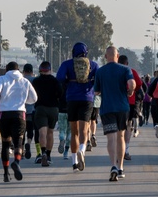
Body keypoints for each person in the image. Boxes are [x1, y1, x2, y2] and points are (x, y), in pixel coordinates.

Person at [0, 61, 38, 183]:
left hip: (3, 114)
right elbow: (34, 98)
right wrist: (23, 100)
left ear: (6, 69)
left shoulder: (1, 79)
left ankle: (6, 173)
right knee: (18, 143)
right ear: (18, 70)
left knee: (6, 143)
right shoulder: (25, 81)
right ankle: (16, 162)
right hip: (19, 114)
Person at [94, 46, 135, 181]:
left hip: (107, 108)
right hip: (122, 108)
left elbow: (96, 91)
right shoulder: (125, 69)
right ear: (117, 56)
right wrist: (130, 91)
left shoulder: (100, 71)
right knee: (121, 136)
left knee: (111, 138)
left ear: (106, 57)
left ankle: (113, 166)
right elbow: (132, 82)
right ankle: (121, 167)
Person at [56, 42, 99, 172]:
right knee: (84, 129)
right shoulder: (93, 64)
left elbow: (59, 78)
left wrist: (69, 81)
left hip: (72, 99)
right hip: (87, 99)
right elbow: (98, 81)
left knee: (74, 131)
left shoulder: (67, 64)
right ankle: (82, 149)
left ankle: (74, 162)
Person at [31, 61, 63, 166]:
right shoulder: (55, 81)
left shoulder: (35, 81)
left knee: (42, 133)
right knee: (50, 133)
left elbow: (31, 95)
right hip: (53, 109)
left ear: (40, 70)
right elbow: (60, 94)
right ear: (50, 70)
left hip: (40, 108)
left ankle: (43, 152)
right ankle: (48, 155)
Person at [119, 54, 143, 159]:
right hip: (130, 102)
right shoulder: (132, 71)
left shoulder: (115, 71)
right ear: (127, 63)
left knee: (118, 128)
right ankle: (126, 150)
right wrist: (131, 90)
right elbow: (139, 84)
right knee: (128, 126)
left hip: (117, 102)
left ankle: (119, 151)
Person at [22, 63, 37, 160]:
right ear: (32, 71)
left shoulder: (20, 81)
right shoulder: (35, 80)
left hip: (21, 109)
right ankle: (29, 142)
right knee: (30, 129)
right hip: (32, 109)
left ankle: (21, 150)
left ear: (23, 71)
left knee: (22, 131)